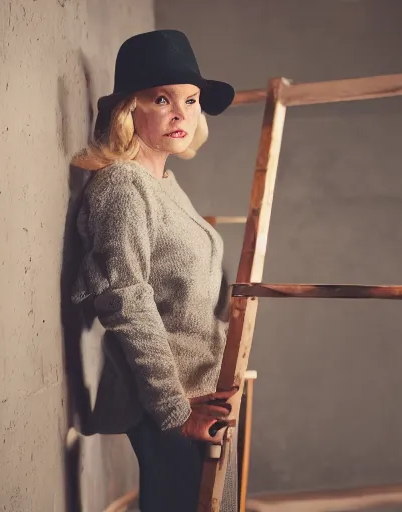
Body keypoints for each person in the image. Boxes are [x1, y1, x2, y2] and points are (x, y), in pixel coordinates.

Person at [70, 29, 238, 512]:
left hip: (203, 393)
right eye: (162, 98)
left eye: (191, 99)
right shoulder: (123, 186)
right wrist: (173, 412)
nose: (180, 112)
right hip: (174, 405)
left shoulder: (163, 182)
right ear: (129, 109)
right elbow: (126, 299)